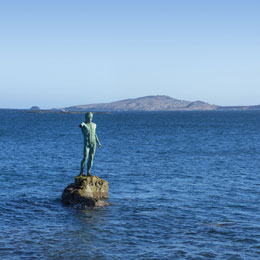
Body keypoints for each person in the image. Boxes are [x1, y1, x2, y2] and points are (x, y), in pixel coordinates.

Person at [78, 112, 101, 176]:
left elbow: (94, 134)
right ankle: (81, 172)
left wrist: (98, 142)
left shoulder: (94, 125)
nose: (90, 119)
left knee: (91, 158)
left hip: (93, 143)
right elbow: (80, 125)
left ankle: (88, 172)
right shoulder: (84, 124)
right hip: (87, 143)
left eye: (91, 117)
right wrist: (82, 124)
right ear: (86, 117)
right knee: (85, 157)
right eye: (88, 117)